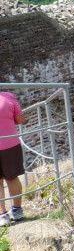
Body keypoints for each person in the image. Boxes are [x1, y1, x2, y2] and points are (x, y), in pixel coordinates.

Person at [0, 91, 26, 226]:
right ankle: (16, 211)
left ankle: (2, 215)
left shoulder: (8, 96)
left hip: (9, 144)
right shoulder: (8, 96)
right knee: (12, 178)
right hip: (10, 144)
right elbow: (21, 119)